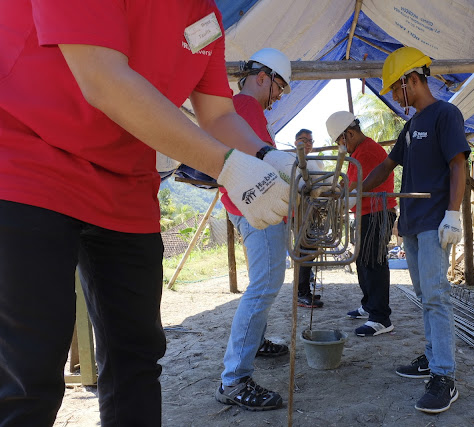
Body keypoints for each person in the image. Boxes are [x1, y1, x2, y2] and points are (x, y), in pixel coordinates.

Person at [0, 3, 297, 426]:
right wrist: (227, 166)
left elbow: (217, 114)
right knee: (29, 368)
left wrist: (269, 156)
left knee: (136, 359)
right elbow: (102, 79)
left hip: (126, 183)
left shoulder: (204, 15)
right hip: (26, 159)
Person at [361, 47, 469, 413]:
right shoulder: (411, 127)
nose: (394, 96)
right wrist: (355, 191)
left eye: (395, 88)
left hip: (435, 220)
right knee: (426, 296)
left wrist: (453, 214)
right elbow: (387, 167)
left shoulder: (445, 115)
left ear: (411, 80)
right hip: (410, 223)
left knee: (437, 296)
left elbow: (458, 165)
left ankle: (444, 376)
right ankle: (431, 356)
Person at [214, 48, 294, 411]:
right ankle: (234, 379)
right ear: (263, 76)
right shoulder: (246, 108)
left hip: (248, 207)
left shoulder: (241, 110)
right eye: (279, 87)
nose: (278, 96)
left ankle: (256, 343)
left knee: (262, 284)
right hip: (257, 210)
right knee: (264, 286)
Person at [326, 111, 397, 337]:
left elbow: (355, 188)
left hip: (377, 213)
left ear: (349, 134)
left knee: (374, 262)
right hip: (366, 213)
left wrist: (338, 196)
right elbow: (350, 185)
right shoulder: (358, 152)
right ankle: (369, 306)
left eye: (339, 140)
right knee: (364, 261)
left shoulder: (366, 152)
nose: (340, 145)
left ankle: (381, 318)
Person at [294, 128, 325, 309]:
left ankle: (304, 289)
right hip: (299, 212)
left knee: (308, 249)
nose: (306, 143)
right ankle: (301, 294)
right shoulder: (293, 162)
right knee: (304, 249)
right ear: (295, 142)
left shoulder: (312, 163)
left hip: (309, 211)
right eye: (303, 139)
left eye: (310, 141)